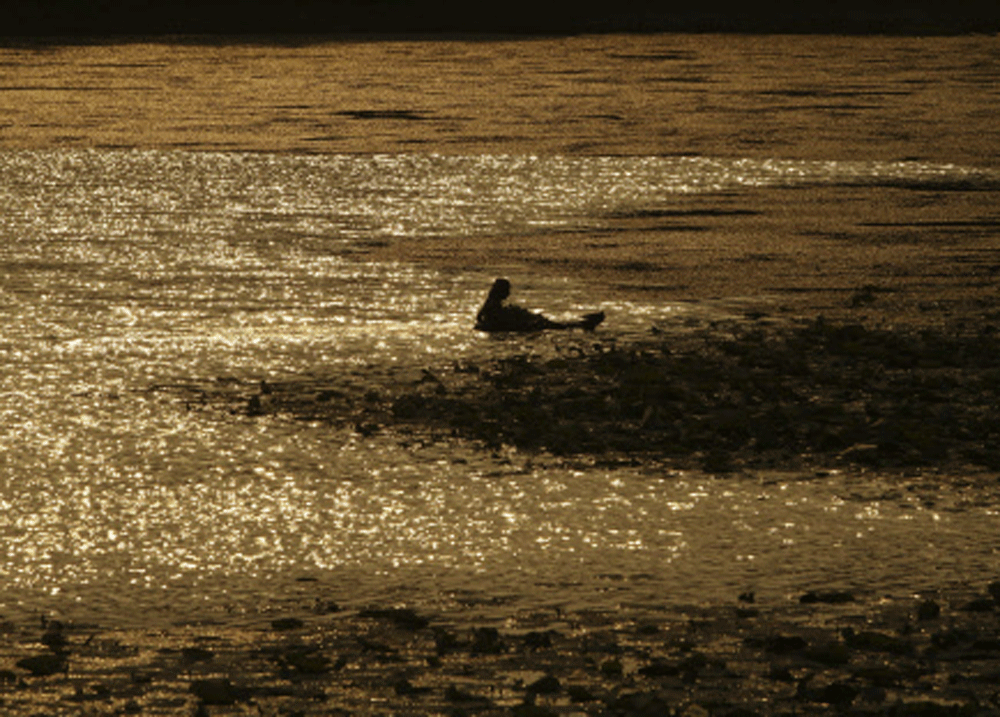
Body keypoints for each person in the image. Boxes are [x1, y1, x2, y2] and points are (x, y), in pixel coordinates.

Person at [474, 278, 605, 332]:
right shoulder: (493, 305)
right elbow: (503, 322)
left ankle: (582, 322)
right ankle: (583, 324)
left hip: (519, 324)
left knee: (556, 325)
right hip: (521, 326)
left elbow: (480, 318)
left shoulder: (490, 303)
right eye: (507, 290)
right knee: (556, 326)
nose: (509, 293)